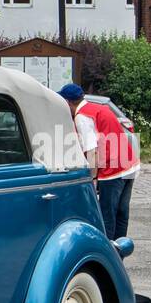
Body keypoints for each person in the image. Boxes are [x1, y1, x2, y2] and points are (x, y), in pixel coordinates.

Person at [57, 83, 136, 241]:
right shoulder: (99, 108)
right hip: (129, 164)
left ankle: (108, 254)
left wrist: (92, 179)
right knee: (122, 213)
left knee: (107, 214)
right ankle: (120, 252)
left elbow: (91, 150)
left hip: (112, 170)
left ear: (67, 102)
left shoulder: (82, 116)